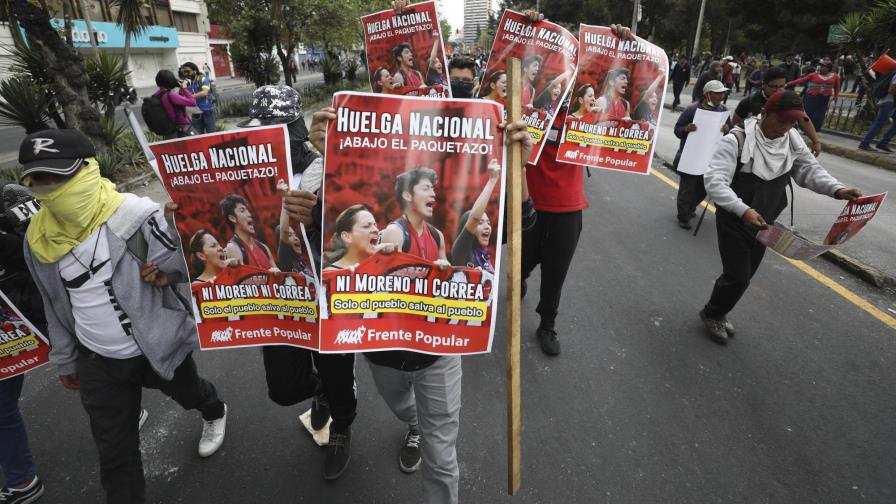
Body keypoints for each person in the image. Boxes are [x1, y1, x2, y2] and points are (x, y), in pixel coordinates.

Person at [20, 129, 227, 504]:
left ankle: (214, 408)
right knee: (115, 455)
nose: (48, 188)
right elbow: (53, 302)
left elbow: (188, 267)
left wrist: (179, 234)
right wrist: (65, 358)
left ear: (85, 170)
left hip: (156, 347)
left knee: (188, 393)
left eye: (57, 177)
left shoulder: (135, 215)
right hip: (97, 361)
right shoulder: (38, 237)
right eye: (37, 180)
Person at [237, 84, 358, 480]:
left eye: (274, 132)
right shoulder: (248, 172)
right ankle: (320, 390)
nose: (265, 142)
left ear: (294, 131)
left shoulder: (324, 167)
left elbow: (348, 233)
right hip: (279, 296)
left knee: (337, 371)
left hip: (323, 294)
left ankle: (340, 425)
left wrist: (317, 212)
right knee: (283, 388)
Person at [700, 90, 861, 344]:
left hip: (765, 223)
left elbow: (809, 169)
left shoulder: (792, 140)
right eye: (781, 121)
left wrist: (837, 189)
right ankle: (713, 313)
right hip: (735, 219)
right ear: (765, 113)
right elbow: (715, 182)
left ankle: (719, 309)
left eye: (791, 123)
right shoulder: (737, 140)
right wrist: (743, 210)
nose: (785, 128)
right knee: (738, 276)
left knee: (745, 276)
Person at [0, 183, 45, 504]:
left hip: (30, 313)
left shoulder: (12, 198)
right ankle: (21, 479)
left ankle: (22, 480)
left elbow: (43, 247)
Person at [672, 80, 731, 229]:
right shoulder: (692, 110)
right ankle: (683, 216)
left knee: (702, 189)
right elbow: (678, 130)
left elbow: (729, 133)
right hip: (690, 157)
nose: (720, 96)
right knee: (687, 188)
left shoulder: (723, 110)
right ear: (707, 94)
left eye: (722, 93)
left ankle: (690, 207)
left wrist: (727, 129)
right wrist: (687, 129)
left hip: (710, 159)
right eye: (717, 93)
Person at [733, 67, 823, 156]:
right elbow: (735, 125)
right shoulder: (749, 101)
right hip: (756, 150)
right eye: (773, 87)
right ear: (763, 84)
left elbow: (803, 119)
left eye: (781, 86)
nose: (778, 90)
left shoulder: (790, 100)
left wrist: (816, 141)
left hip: (784, 149)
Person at [450, 159, 501, 271]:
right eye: (480, 223)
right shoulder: (461, 251)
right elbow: (474, 218)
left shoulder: (485, 256)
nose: (487, 227)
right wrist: (492, 180)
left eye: (488, 223)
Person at [220, 194, 276, 270]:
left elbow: (279, 277)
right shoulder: (232, 248)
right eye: (242, 211)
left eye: (248, 211)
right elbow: (244, 280)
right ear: (233, 218)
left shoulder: (264, 247)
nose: (249, 214)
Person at [858, 70, 896, 152]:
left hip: (891, 103)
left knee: (880, 123)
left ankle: (883, 143)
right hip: (888, 102)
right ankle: (864, 144)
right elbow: (891, 89)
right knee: (879, 124)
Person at [152, 69, 196, 138]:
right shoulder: (171, 95)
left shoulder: (156, 95)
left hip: (168, 130)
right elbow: (192, 102)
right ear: (170, 80)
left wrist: (180, 92)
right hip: (181, 129)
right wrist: (184, 88)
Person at [179, 62, 216, 134]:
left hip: (207, 110)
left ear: (195, 71)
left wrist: (190, 97)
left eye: (188, 71)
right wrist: (182, 88)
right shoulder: (186, 82)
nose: (186, 74)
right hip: (195, 112)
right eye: (184, 72)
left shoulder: (202, 79)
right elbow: (181, 96)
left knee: (212, 134)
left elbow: (205, 92)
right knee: (198, 135)